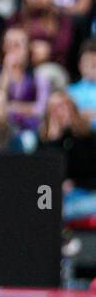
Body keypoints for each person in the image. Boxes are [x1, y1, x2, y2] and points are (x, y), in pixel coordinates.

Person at [37, 88, 96, 221]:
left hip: (85, 193)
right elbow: (42, 174)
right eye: (55, 109)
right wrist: (54, 140)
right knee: (42, 204)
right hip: (52, 195)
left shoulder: (88, 136)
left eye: (64, 107)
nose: (60, 113)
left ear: (73, 109)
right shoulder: (44, 139)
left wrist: (74, 183)